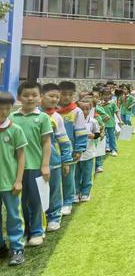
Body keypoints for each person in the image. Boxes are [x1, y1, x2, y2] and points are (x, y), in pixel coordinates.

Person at [10, 82, 52, 246]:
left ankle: (36, 231)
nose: (30, 98)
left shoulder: (42, 118)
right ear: (19, 97)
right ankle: (25, 231)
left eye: (34, 95)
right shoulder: (12, 117)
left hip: (35, 167)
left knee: (35, 200)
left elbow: (46, 143)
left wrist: (45, 165)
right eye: (26, 95)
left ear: (40, 98)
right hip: (14, 169)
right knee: (19, 203)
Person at [40, 83, 73, 231]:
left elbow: (64, 141)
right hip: (33, 162)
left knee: (54, 190)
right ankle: (38, 220)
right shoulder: (33, 114)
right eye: (51, 96)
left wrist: (66, 161)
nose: (55, 99)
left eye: (57, 97)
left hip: (54, 161)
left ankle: (54, 217)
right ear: (41, 96)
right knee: (36, 192)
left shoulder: (57, 117)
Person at [0, 92, 28, 265]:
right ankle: (1, 246)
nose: (3, 112)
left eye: (6, 109)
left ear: (11, 109)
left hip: (10, 183)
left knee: (13, 216)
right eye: (0, 109)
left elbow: (21, 157)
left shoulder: (15, 129)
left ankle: (17, 248)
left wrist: (18, 180)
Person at [57, 81, 88, 215]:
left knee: (68, 177)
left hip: (69, 151)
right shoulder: (51, 111)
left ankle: (68, 202)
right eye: (64, 94)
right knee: (55, 179)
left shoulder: (77, 111)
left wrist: (79, 149)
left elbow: (81, 131)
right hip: (53, 151)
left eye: (70, 95)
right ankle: (56, 202)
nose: (67, 97)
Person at [75, 101, 100, 202]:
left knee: (87, 173)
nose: (84, 111)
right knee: (76, 174)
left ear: (90, 110)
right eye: (82, 109)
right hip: (76, 153)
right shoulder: (74, 121)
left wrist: (92, 136)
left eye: (87, 109)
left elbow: (97, 134)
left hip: (88, 153)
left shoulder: (93, 121)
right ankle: (76, 192)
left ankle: (86, 192)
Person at [101, 86, 121, 158]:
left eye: (108, 94)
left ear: (110, 95)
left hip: (111, 124)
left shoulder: (112, 103)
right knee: (104, 136)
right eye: (104, 94)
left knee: (112, 137)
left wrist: (120, 120)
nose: (106, 96)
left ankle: (114, 150)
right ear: (101, 95)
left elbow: (117, 112)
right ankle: (107, 147)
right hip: (102, 124)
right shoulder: (100, 104)